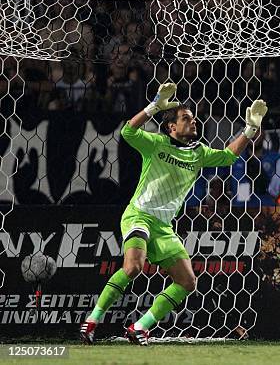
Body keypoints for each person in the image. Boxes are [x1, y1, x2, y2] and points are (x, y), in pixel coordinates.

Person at [80, 83, 268, 345]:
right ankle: (92, 320)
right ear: (171, 127)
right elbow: (128, 131)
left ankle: (139, 327)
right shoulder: (156, 144)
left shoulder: (198, 153)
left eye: (193, 118)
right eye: (186, 118)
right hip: (139, 216)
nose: (193, 122)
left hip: (163, 227)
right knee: (133, 267)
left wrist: (250, 130)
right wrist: (154, 107)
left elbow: (227, 157)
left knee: (187, 281)